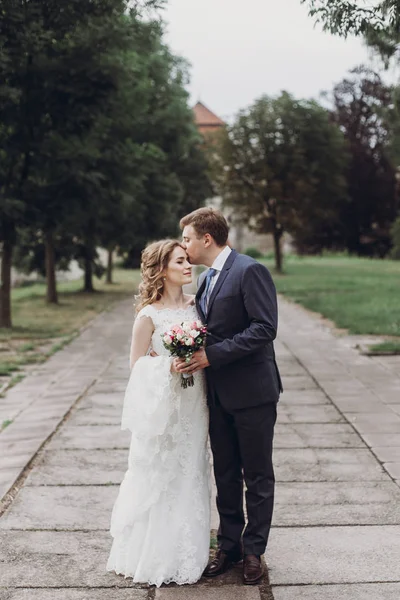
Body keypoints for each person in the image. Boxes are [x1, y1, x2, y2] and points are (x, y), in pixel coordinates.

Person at [178, 207, 282, 586]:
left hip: (253, 393)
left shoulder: (249, 270)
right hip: (217, 395)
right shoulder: (206, 280)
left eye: (188, 238)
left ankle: (254, 550)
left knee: (256, 475)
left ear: (207, 238)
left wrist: (212, 354)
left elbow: (264, 328)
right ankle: (229, 546)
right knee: (224, 473)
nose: (184, 245)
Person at [107, 240, 211, 587]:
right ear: (162, 269)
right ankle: (154, 553)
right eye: (180, 262)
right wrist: (168, 366)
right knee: (160, 472)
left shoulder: (199, 307)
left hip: (195, 404)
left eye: (187, 260)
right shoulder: (148, 316)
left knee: (190, 470)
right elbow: (136, 367)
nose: (188, 266)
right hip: (164, 408)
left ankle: (187, 551)